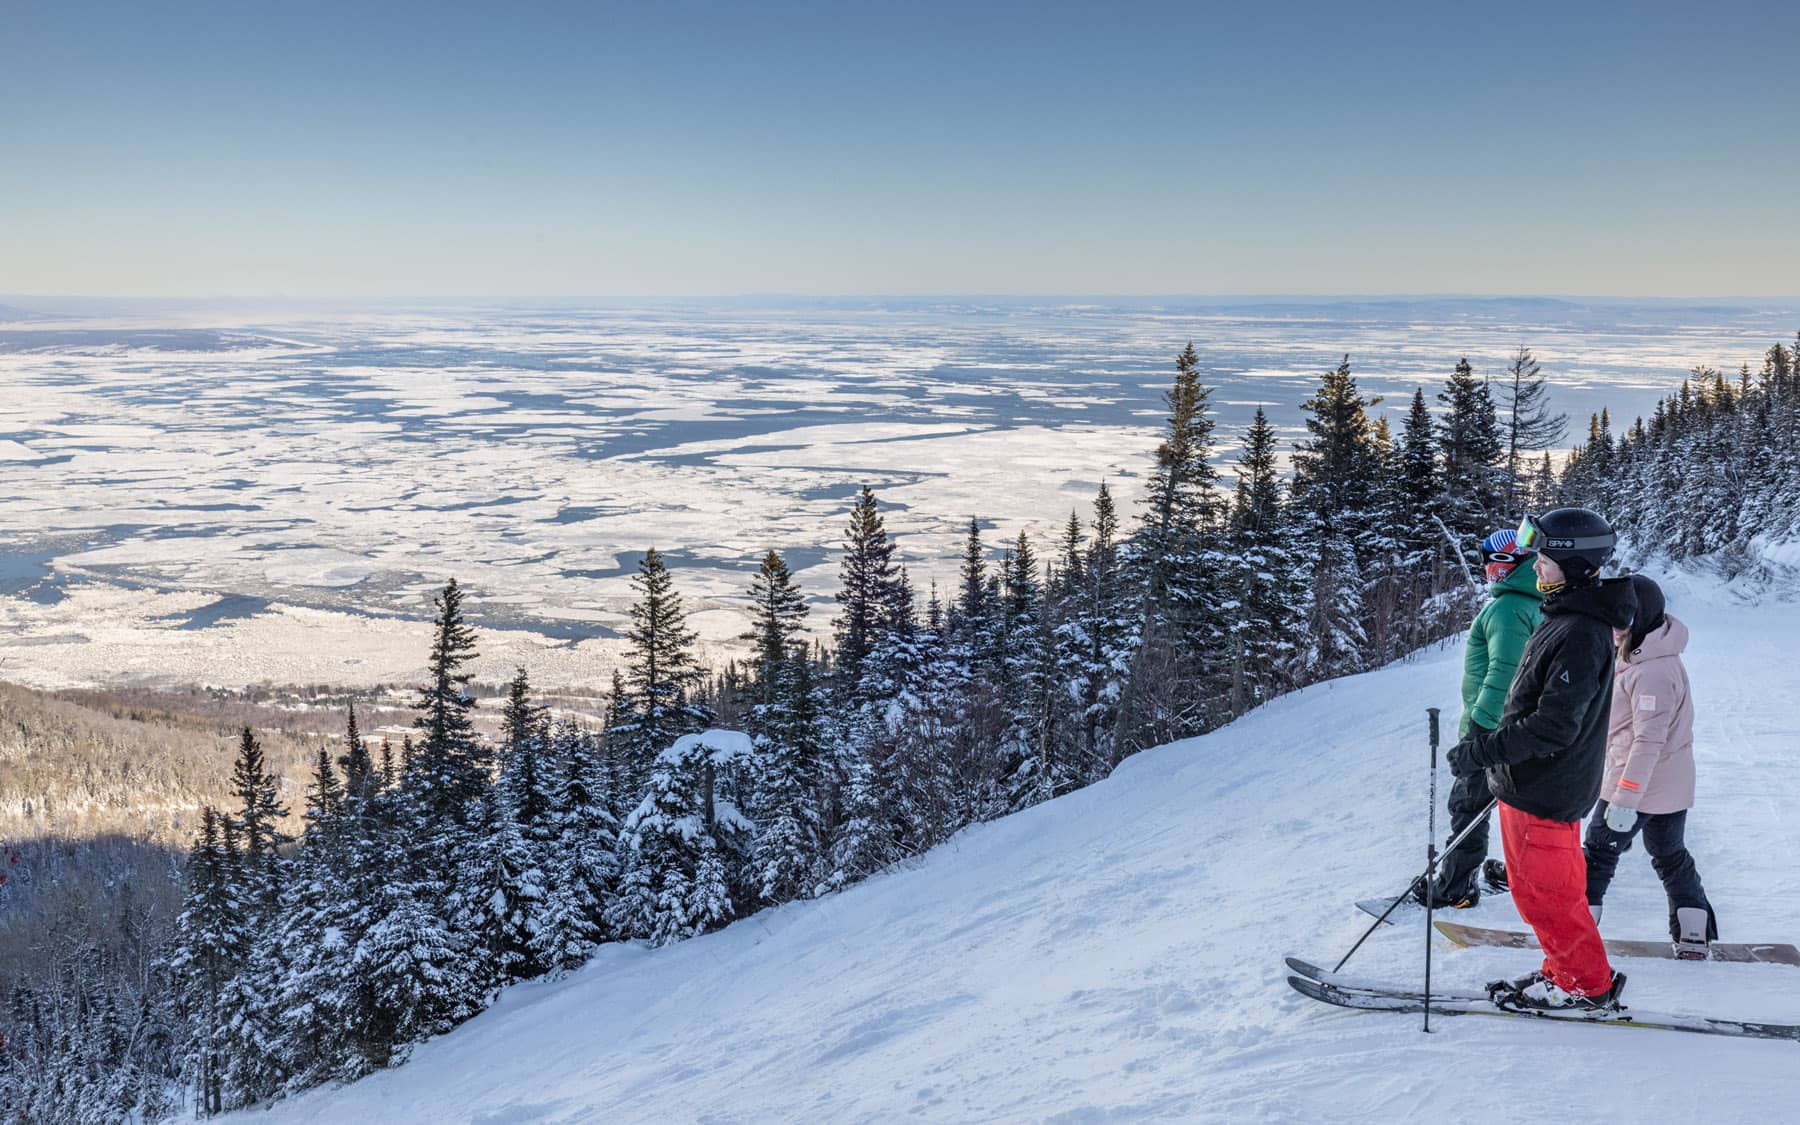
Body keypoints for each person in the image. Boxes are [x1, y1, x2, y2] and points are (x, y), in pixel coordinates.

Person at [1447, 507, 1637, 1011]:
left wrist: (1480, 749)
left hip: (1544, 785)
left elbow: (1555, 725)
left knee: (1545, 898)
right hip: (1532, 782)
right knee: (1550, 891)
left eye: (1545, 561)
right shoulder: (1568, 617)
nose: (1535, 569)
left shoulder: (1579, 631)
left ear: (1573, 567)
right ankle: (1565, 969)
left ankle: (1586, 986)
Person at [1584, 574, 1718, 958]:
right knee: (1669, 854)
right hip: (1667, 788)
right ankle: (1693, 932)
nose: (1611, 629)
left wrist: (1626, 797)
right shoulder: (1646, 655)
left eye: (1619, 620)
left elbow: (1648, 741)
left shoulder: (1653, 672)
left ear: (1638, 619)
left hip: (1636, 785)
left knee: (1598, 853)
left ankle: (1574, 933)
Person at [1413, 528, 1543, 908]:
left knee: (1468, 804)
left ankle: (1455, 887)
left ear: (1508, 566)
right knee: (1510, 804)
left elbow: (1504, 672)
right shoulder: (1530, 604)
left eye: (1491, 561)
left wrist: (1479, 729)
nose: (1486, 568)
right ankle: (1521, 874)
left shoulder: (1506, 610)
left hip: (1492, 728)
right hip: (1514, 728)